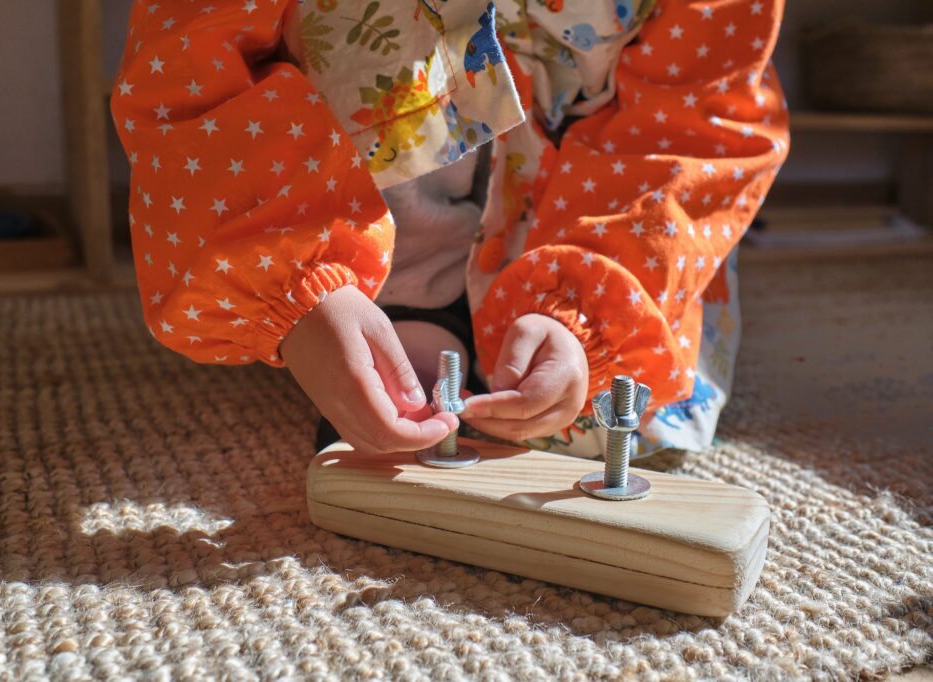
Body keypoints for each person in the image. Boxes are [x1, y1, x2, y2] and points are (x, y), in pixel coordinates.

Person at [110, 0, 789, 458]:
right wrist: (290, 282)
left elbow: (694, 121)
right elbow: (193, 65)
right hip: (334, 184)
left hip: (606, 193)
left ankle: (551, 293)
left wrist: (585, 308)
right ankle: (406, 294)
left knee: (591, 424)